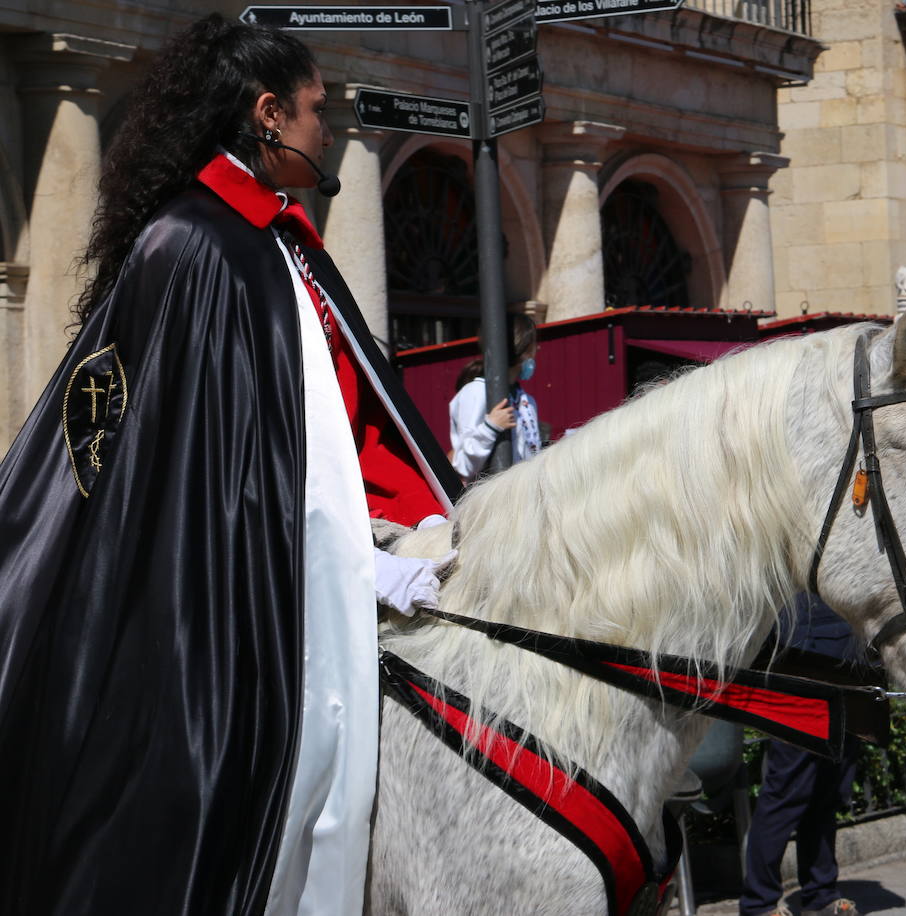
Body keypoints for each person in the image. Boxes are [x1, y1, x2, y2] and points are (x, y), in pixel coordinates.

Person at [0, 16, 460, 913]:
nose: (326, 128)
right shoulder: (199, 245)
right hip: (217, 606)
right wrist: (363, 567)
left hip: (318, 553)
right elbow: (223, 474)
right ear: (267, 115)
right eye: (315, 110)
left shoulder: (273, 237)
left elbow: (324, 425)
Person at [740, 594, 863, 916]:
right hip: (804, 667)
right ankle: (759, 904)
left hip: (849, 667)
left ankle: (821, 895)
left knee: (828, 793)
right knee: (786, 792)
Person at [448, 312, 541, 485]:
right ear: (523, 349)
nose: (538, 351)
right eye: (534, 346)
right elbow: (464, 466)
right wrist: (490, 428)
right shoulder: (475, 393)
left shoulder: (526, 400)